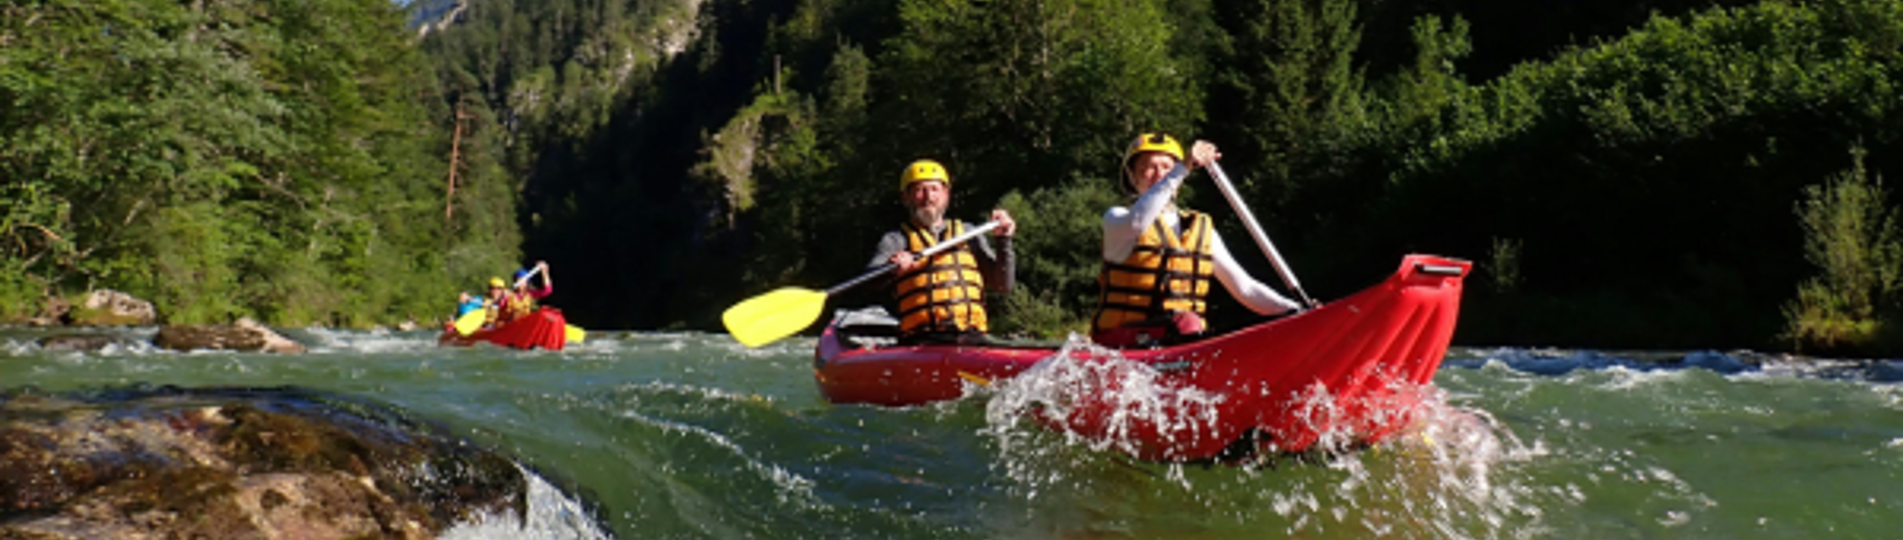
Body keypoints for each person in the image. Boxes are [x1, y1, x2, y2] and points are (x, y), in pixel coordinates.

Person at [1092, 133, 1301, 347]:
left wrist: (1294, 310)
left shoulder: (1200, 229)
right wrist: (1181, 168)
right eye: (1148, 167)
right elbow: (1138, 223)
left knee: (1193, 325)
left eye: (1166, 167)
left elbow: (1245, 288)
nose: (1159, 174)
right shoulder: (1116, 218)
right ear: (1133, 177)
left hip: (1178, 338)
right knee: (1186, 323)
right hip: (1122, 343)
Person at [866, 159, 1017, 345]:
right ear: (906, 197)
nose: (928, 197)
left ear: (946, 195)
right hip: (922, 340)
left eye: (935, 189)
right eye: (920, 190)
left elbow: (1003, 285)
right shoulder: (896, 239)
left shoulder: (969, 233)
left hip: (972, 336)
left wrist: (1003, 241)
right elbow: (870, 281)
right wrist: (892, 268)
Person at [493, 261, 553, 326]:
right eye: (517, 280)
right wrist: (501, 297)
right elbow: (497, 305)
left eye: (522, 281)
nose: (520, 283)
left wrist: (544, 272)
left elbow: (547, 291)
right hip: (506, 325)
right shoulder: (508, 294)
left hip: (522, 326)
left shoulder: (530, 294)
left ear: (527, 283)